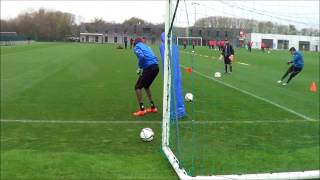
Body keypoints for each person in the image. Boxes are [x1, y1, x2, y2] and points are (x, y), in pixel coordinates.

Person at [133, 37, 159, 116]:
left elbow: (142, 57)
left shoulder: (137, 47)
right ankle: (153, 107)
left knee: (137, 87)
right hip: (156, 67)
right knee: (146, 86)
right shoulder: (148, 47)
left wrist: (140, 67)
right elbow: (155, 57)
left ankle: (142, 109)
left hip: (149, 68)